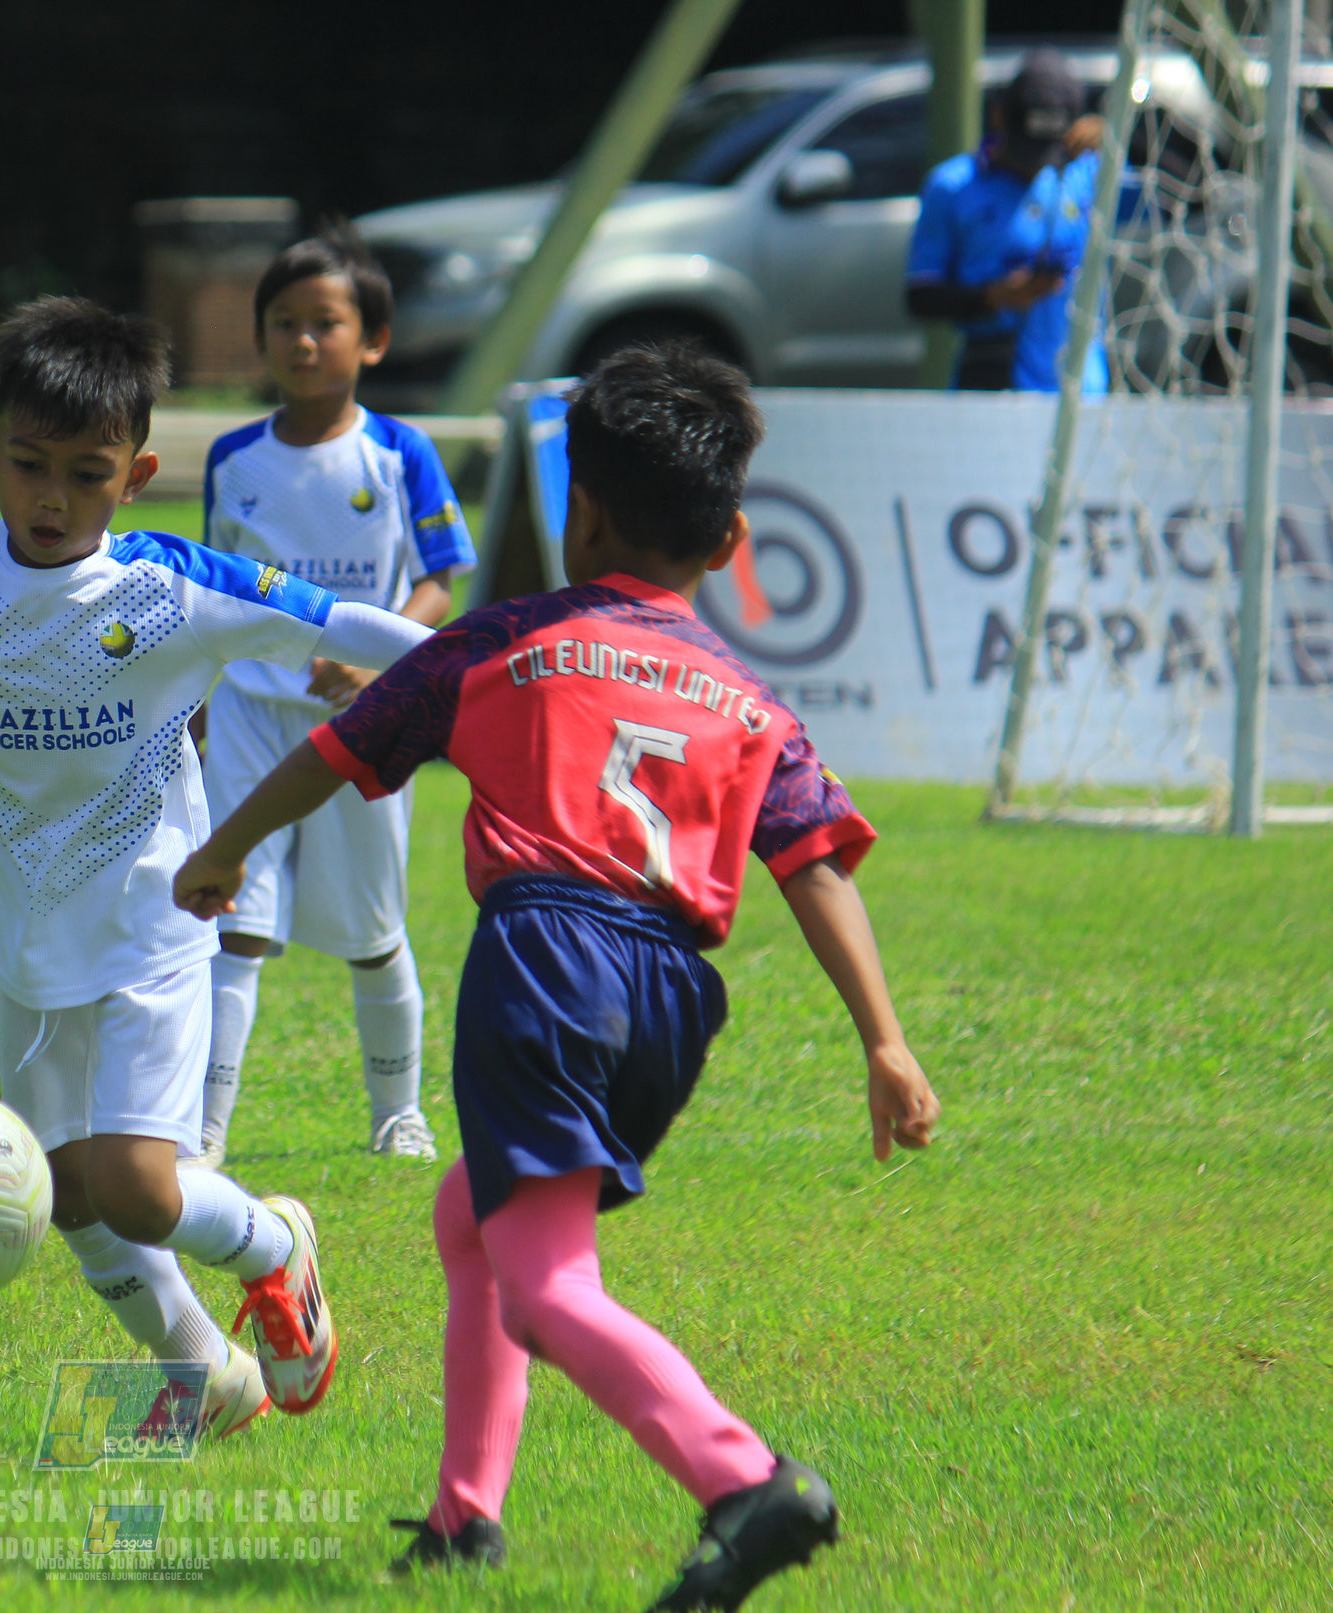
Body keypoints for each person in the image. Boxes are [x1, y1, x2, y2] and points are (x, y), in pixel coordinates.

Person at [173, 343, 941, 1607]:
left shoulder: (507, 642)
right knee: (470, 1215)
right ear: (733, 535)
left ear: (575, 509)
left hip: (544, 962)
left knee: (543, 1281)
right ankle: (465, 1517)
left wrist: (223, 849)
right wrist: (885, 1041)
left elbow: (338, 750)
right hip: (672, 1000)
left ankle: (745, 1478)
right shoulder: (749, 700)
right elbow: (814, 865)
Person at [0, 296, 438, 1437]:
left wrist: (489, 670)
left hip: (154, 933)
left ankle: (274, 1240)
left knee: (140, 1187)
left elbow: (347, 624)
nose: (51, 497)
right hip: (24, 946)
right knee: (65, 1195)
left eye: (87, 473)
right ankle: (205, 1372)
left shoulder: (171, 587)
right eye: (28, 465)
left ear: (137, 472)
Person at [195, 230, 476, 1170]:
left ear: (374, 341)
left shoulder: (400, 453)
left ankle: (397, 1112)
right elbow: (219, 596)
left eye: (326, 323)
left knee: (369, 933)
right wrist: (197, 707)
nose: (303, 342)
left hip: (367, 726)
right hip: (249, 714)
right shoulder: (233, 460)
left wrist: (381, 662)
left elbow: (443, 577)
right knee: (234, 925)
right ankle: (203, 1130)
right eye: (284, 324)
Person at [906, 47, 1108, 393]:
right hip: (990, 378)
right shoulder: (954, 185)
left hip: (1078, 389)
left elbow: (1194, 187)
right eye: (1025, 150)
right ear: (999, 117)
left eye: (1045, 154)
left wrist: (1121, 135)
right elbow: (919, 296)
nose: (1034, 167)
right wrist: (994, 297)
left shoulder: (1089, 173)